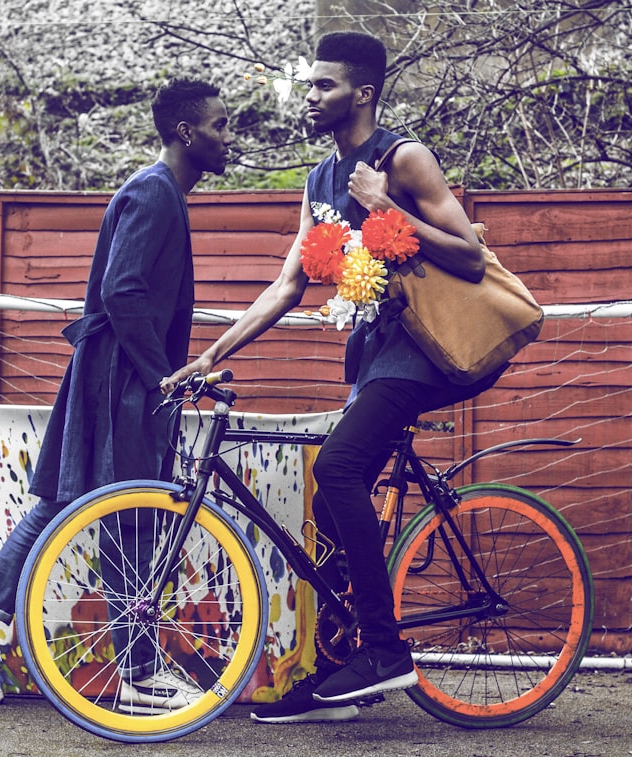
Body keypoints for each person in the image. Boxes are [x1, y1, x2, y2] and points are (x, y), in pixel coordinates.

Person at [162, 31, 506, 724]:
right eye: (310, 84)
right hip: (375, 354)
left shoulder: (402, 158)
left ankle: (385, 649)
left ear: (363, 93)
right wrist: (208, 354)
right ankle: (339, 670)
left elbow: (469, 257)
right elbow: (288, 285)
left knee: (340, 469)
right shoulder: (321, 179)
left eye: (323, 85)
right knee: (330, 511)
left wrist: (386, 204)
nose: (309, 95)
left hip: (426, 351)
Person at [0, 78, 233, 711]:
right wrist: (164, 376)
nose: (228, 137)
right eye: (220, 125)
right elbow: (122, 292)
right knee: (120, 511)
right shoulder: (153, 194)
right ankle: (133, 672)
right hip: (122, 379)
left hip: (119, 375)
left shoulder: (160, 193)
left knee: (83, 506)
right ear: (186, 132)